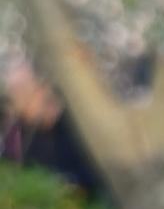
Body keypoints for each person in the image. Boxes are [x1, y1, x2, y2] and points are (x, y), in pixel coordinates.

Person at [1, 62, 106, 201]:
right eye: (19, 95)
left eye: (29, 90)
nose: (28, 100)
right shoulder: (18, 146)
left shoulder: (76, 119)